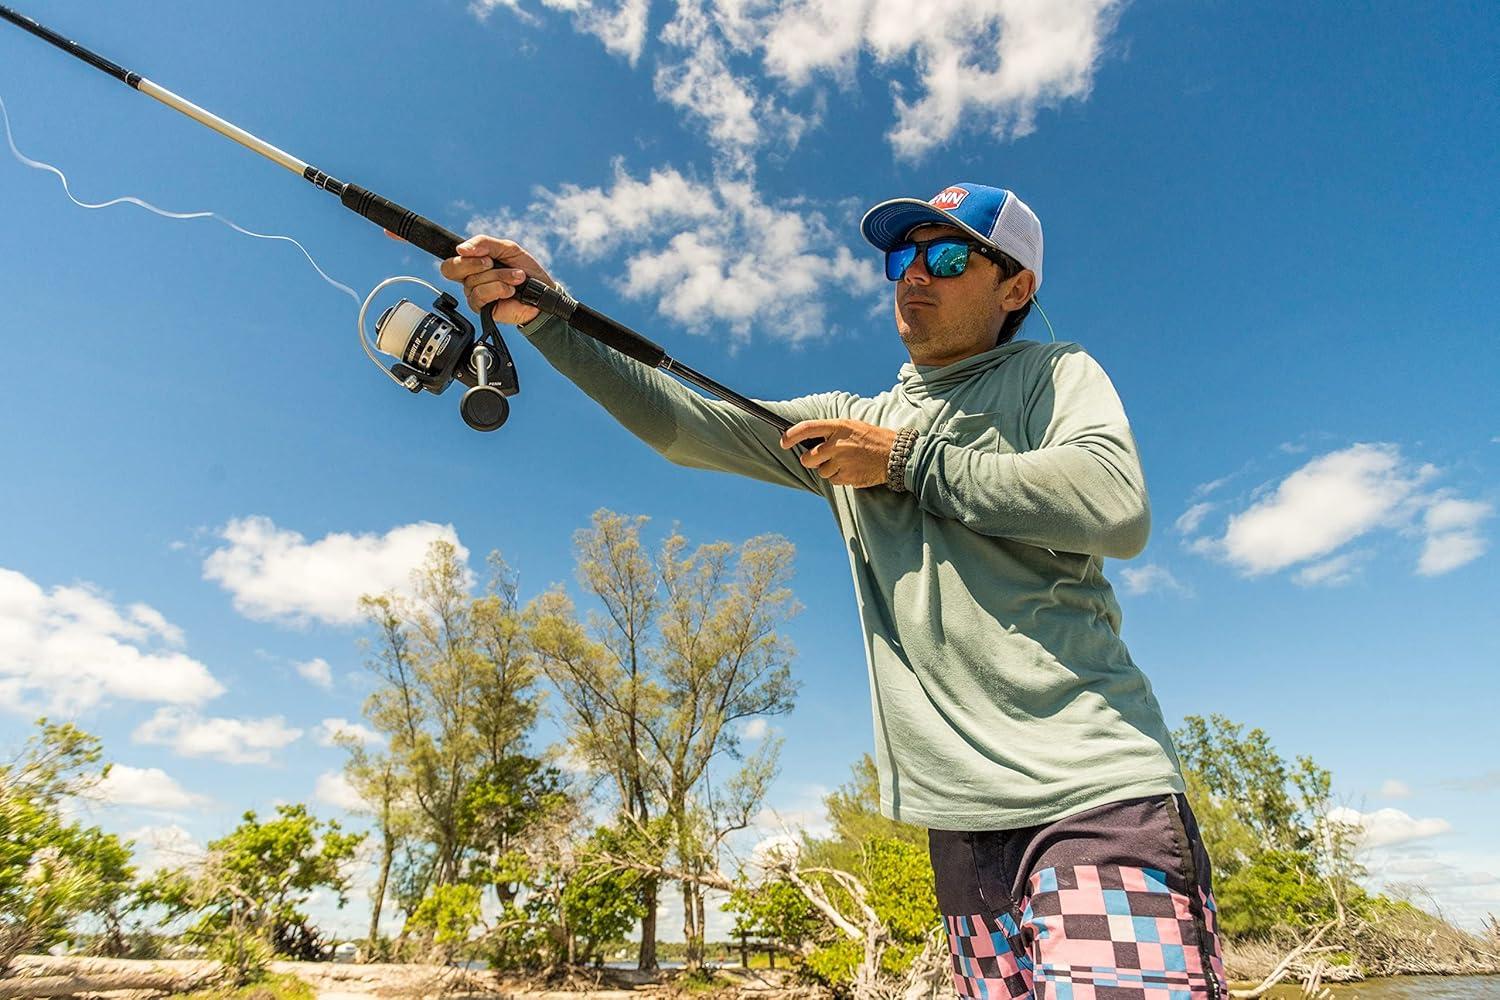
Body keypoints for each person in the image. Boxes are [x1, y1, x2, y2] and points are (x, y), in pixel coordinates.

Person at [441, 182, 1228, 999]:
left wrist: (902, 460)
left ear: (1015, 287)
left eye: (947, 257)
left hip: (1096, 800)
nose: (914, 274)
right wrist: (547, 314)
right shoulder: (846, 417)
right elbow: (681, 423)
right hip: (960, 829)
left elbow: (1115, 504)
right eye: (903, 258)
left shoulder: (1052, 374)